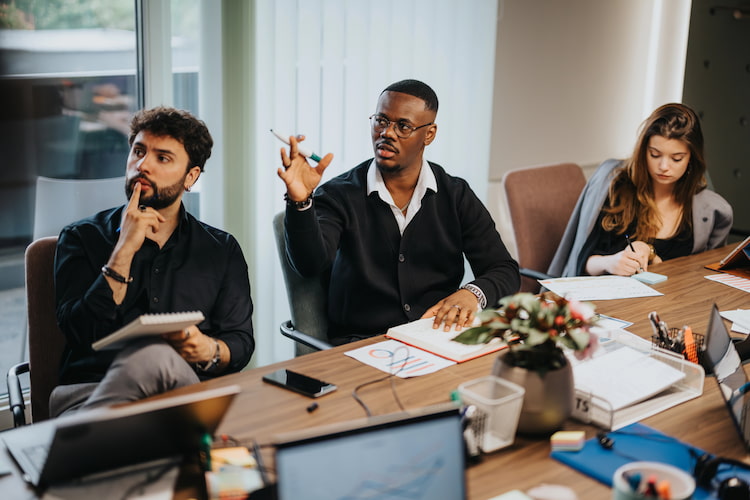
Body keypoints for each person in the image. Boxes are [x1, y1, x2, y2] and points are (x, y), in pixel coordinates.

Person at [277, 79, 520, 344]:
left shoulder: (455, 194)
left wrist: (472, 293)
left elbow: (504, 269)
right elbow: (309, 265)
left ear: (429, 134)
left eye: (403, 126)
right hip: (364, 344)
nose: (387, 133)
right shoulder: (338, 195)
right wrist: (300, 202)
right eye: (381, 121)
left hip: (437, 338)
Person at [51, 106, 255, 416]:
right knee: (153, 359)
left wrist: (208, 349)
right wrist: (123, 250)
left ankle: (75, 449)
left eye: (162, 158)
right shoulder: (81, 237)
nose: (143, 165)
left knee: (157, 359)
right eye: (138, 151)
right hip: (92, 394)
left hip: (187, 391)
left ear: (191, 176)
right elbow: (78, 332)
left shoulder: (221, 249)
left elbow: (240, 342)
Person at [548, 102, 732, 278]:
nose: (664, 166)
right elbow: (580, 264)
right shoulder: (613, 186)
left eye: (677, 158)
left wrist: (652, 255)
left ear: (692, 158)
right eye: (655, 154)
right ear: (643, 150)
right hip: (607, 302)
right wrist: (609, 263)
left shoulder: (711, 210)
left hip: (673, 303)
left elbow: (705, 275)